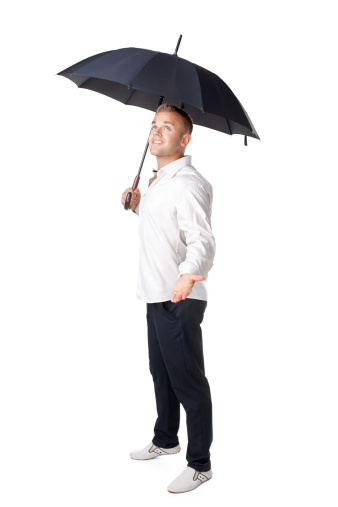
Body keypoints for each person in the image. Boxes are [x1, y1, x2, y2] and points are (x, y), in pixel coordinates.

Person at [121, 104, 216, 494]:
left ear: (185, 139)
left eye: (168, 127)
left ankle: (200, 464)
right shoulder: (162, 180)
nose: (157, 132)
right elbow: (164, 227)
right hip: (155, 293)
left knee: (188, 382)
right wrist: (137, 203)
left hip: (180, 296)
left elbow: (202, 240)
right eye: (154, 125)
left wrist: (187, 275)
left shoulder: (189, 183)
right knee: (161, 374)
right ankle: (166, 439)